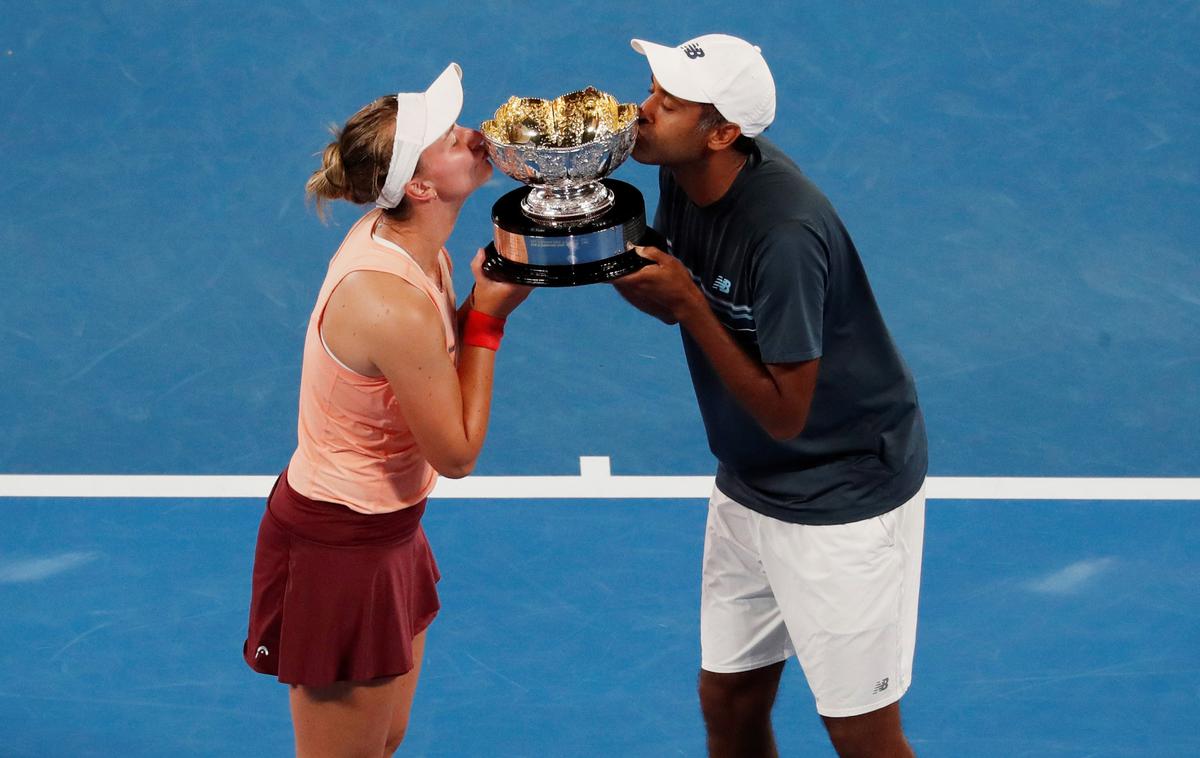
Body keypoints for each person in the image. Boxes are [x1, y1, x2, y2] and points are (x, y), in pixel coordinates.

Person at [614, 34, 929, 758]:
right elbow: (666, 293)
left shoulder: (784, 233)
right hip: (750, 482)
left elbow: (787, 412)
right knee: (728, 699)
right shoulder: (687, 175)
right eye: (651, 91)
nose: (643, 110)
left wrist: (690, 303)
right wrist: (587, 237)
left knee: (861, 735)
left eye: (669, 103)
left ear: (721, 132)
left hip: (840, 495)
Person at [243, 63, 530, 757]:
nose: (471, 130)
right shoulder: (388, 299)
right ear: (422, 186)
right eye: (447, 134)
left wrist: (473, 300)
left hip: (391, 530)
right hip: (339, 546)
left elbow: (426, 371)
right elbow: (456, 455)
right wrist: (490, 319)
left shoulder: (420, 252)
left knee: (385, 738)